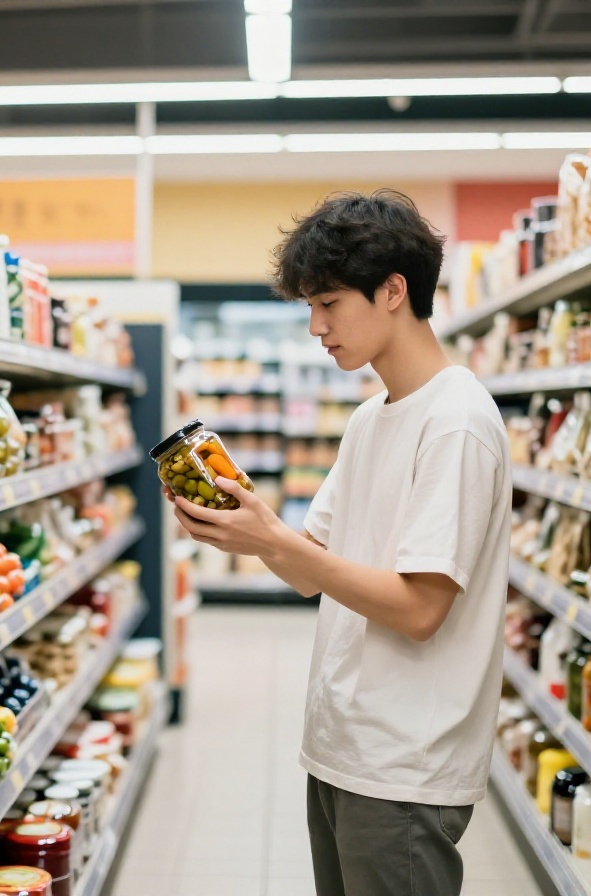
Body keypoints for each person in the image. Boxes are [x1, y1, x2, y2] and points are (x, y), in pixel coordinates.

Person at [169, 190, 511, 896]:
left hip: (405, 764)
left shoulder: (456, 421)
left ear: (393, 291)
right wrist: (246, 527)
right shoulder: (369, 419)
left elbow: (421, 609)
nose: (317, 328)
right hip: (341, 747)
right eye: (309, 309)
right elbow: (308, 570)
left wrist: (274, 540)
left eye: (329, 304)